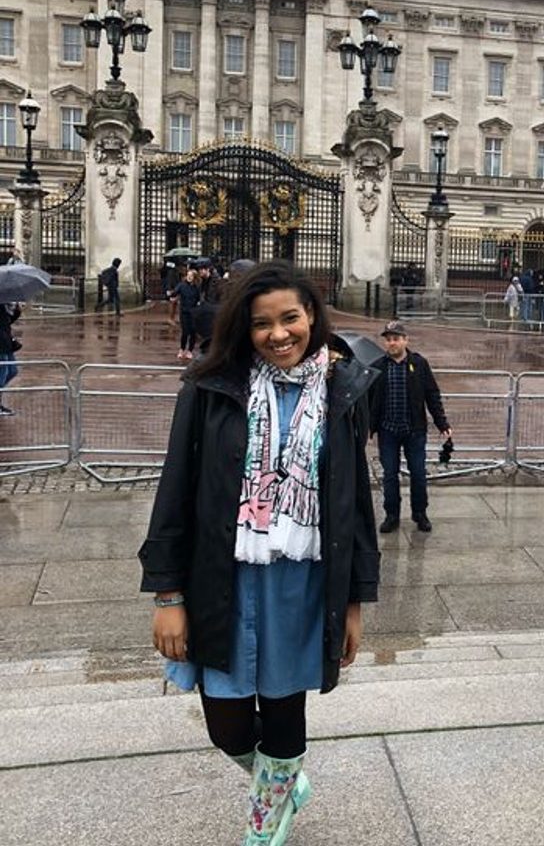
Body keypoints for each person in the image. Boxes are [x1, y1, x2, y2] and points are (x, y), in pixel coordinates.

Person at [138, 259, 379, 846]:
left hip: (304, 581)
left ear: (313, 317)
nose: (279, 335)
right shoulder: (209, 386)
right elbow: (177, 489)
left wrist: (355, 600)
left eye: (291, 318)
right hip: (222, 576)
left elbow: (355, 504)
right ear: (241, 330)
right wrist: (167, 594)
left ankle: (266, 831)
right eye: (261, 324)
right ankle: (283, 783)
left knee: (283, 713)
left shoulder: (343, 390)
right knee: (225, 725)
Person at [370, 320, 451, 534]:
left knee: (418, 473)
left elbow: (432, 394)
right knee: (389, 474)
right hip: (388, 430)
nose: (392, 343)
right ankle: (392, 514)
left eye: (396, 338)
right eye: (388, 339)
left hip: (414, 430)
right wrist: (367, 426)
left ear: (406, 340)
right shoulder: (378, 367)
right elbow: (369, 400)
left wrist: (441, 422)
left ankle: (420, 513)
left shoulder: (419, 364)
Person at [169, 267, 201, 359]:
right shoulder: (182, 285)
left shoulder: (197, 287)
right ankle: (182, 349)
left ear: (194, 277)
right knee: (185, 332)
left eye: (191, 276)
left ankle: (190, 351)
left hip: (194, 312)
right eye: (188, 275)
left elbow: (200, 298)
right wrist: (171, 295)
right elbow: (175, 292)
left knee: (193, 332)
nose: (189, 277)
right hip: (184, 312)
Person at [0, 302, 22, 416]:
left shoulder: (4, 302)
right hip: (1, 344)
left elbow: (7, 321)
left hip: (6, 343)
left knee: (12, 371)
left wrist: (16, 311)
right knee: (2, 374)